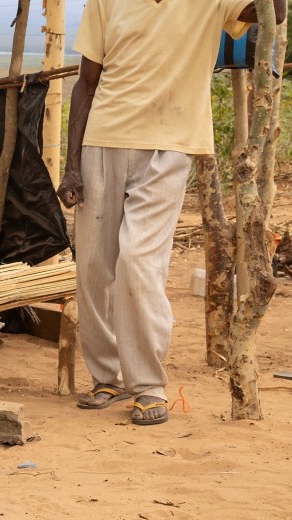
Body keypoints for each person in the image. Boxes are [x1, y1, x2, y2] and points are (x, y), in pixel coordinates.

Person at [57, 0, 284, 425]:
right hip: (103, 140)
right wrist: (72, 165)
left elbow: (273, 14)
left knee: (139, 261)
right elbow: (87, 84)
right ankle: (107, 375)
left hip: (171, 144)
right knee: (92, 266)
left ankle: (147, 384)